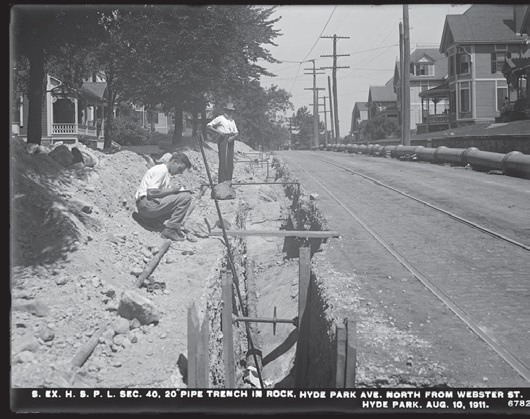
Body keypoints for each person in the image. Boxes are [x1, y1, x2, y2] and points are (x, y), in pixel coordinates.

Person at [134, 152, 192, 241]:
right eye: (180, 169)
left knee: (179, 200)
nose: (179, 172)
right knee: (186, 197)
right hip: (146, 204)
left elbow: (162, 193)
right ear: (174, 162)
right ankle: (171, 230)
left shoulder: (166, 174)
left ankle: (152, 221)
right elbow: (151, 193)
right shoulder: (161, 170)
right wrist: (172, 190)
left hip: (145, 207)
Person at [206, 102, 239, 183]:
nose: (230, 112)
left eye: (231, 111)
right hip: (223, 139)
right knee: (223, 160)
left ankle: (228, 180)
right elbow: (209, 125)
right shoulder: (220, 118)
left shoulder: (232, 120)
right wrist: (218, 132)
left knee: (230, 161)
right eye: (229, 111)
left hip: (231, 139)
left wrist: (233, 137)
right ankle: (222, 181)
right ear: (225, 110)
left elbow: (236, 132)